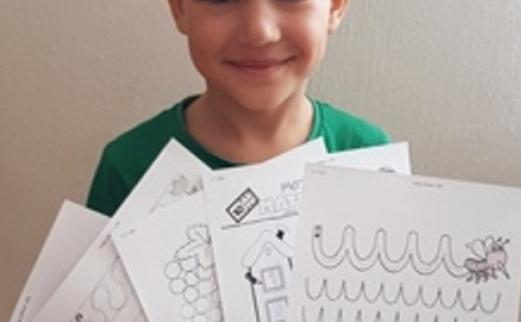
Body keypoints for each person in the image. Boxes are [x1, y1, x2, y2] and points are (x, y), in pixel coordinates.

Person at [87, 0, 390, 217]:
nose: (259, 31)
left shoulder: (368, 156)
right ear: (179, 8)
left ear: (335, 6)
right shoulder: (129, 167)